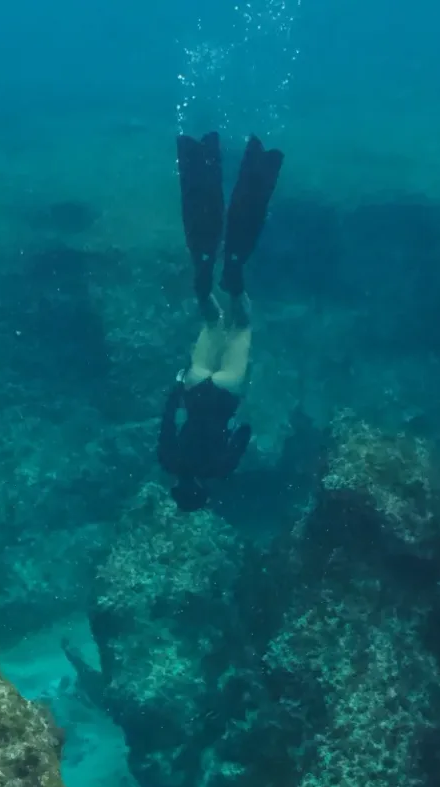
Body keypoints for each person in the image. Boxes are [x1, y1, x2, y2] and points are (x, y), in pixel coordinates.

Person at [159, 132, 284, 511]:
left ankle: (234, 274)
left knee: (242, 325)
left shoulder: (218, 470)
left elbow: (243, 433)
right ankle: (204, 279)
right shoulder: (167, 461)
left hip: (226, 393)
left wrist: (237, 424)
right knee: (213, 323)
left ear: (200, 491)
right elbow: (167, 420)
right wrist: (178, 387)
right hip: (195, 385)